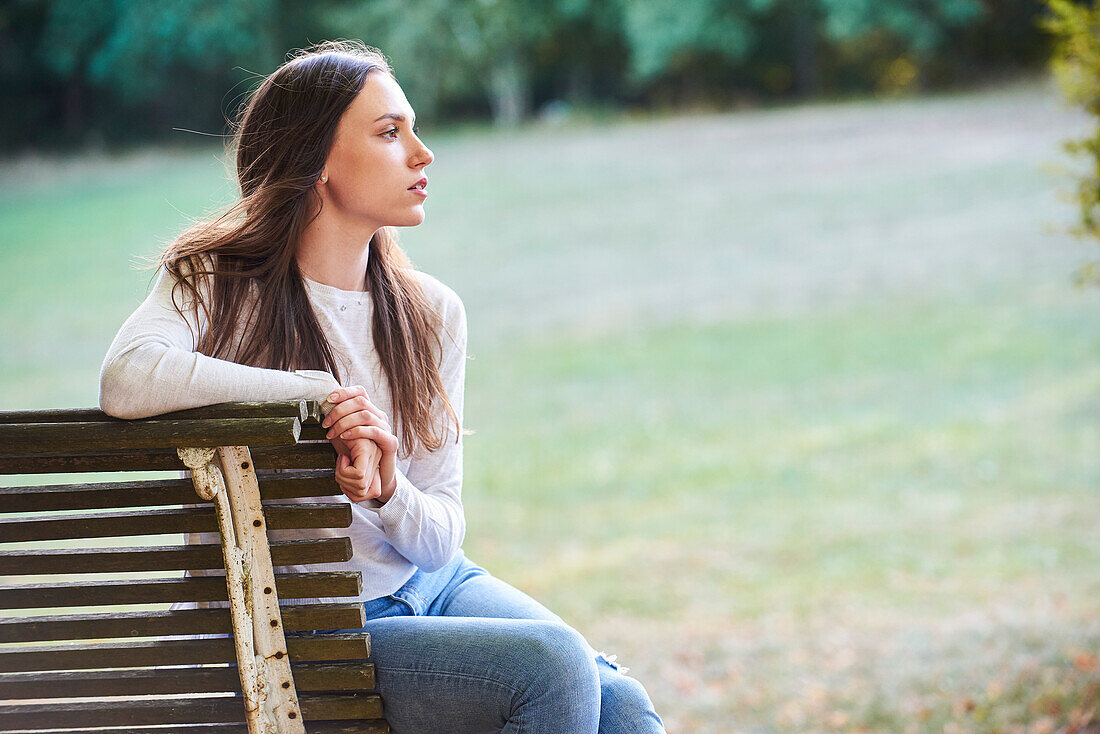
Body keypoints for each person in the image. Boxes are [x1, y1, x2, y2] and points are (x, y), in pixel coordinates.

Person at [99, 40, 665, 734]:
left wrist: (389, 494)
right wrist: (312, 395)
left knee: (625, 706)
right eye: (391, 133)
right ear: (318, 161)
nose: (423, 154)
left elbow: (440, 538)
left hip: (432, 584)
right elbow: (127, 377)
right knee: (550, 665)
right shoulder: (214, 282)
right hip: (315, 620)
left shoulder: (431, 313)